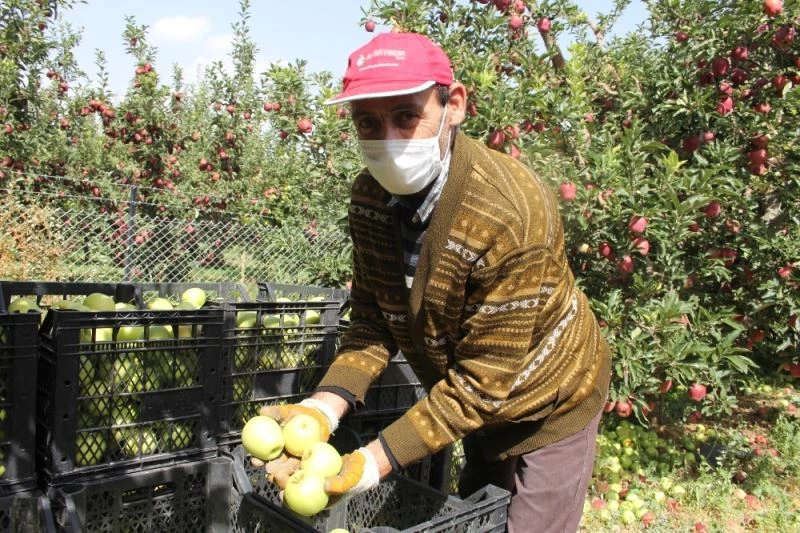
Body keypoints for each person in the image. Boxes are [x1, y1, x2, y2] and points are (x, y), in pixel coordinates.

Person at [259, 31, 612, 533]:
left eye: (406, 116)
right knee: (477, 515)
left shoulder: (507, 213)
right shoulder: (370, 201)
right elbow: (372, 325)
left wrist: (371, 464)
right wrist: (323, 408)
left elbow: (480, 385)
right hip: (474, 404)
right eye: (368, 122)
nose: (388, 138)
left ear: (455, 105)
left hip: (552, 395)